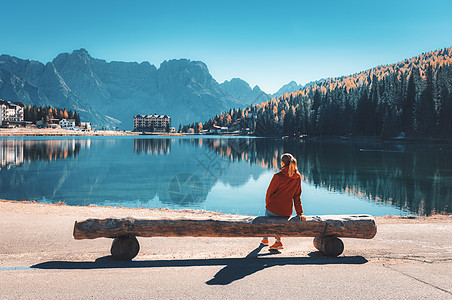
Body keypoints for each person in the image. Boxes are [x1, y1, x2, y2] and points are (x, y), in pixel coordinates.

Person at [261, 153, 306, 250]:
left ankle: (265, 239)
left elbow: (269, 193)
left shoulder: (278, 176)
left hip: (273, 209)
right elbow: (297, 197)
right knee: (278, 218)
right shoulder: (297, 177)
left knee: (267, 215)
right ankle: (278, 241)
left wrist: (268, 205)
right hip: (286, 211)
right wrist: (300, 213)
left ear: (282, 163)